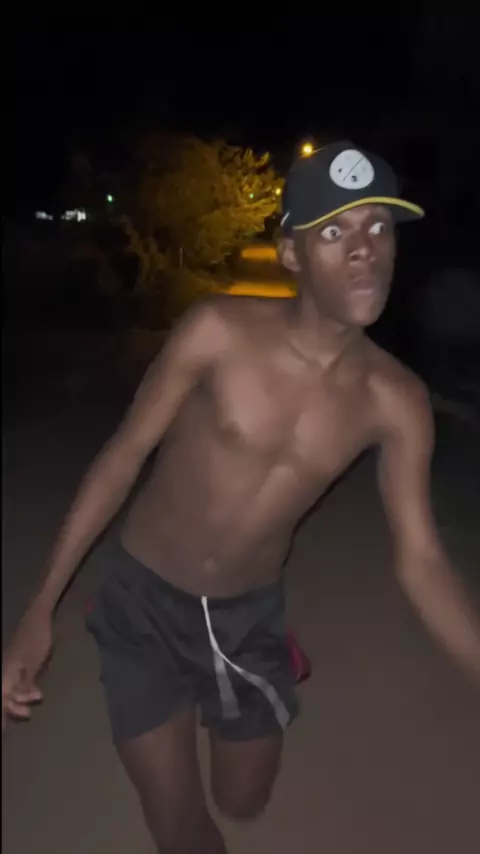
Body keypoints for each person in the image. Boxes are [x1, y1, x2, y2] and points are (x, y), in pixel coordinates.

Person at [3, 141, 480, 854]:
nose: (364, 248)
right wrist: (40, 608)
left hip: (245, 618)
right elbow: (123, 455)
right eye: (334, 230)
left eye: (378, 227)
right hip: (142, 605)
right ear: (291, 255)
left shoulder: (397, 400)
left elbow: (421, 559)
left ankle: (265, 672)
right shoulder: (217, 331)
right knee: (181, 825)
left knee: (243, 799)